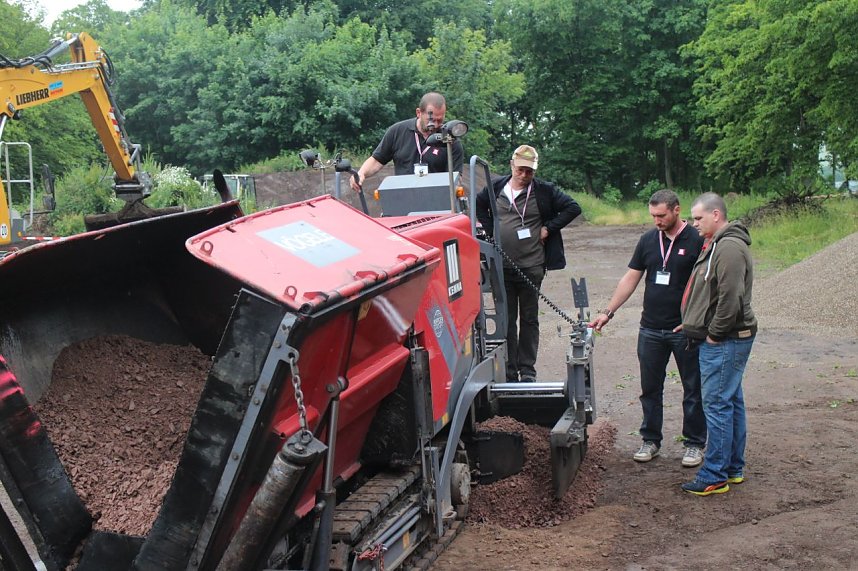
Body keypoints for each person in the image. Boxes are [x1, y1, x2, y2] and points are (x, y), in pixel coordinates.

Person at [590, 190, 706, 467]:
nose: (656, 221)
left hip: (684, 329)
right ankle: (650, 440)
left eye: (662, 215)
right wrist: (608, 312)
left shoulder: (698, 239)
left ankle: (694, 444)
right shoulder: (647, 241)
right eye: (653, 215)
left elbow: (708, 283)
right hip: (651, 329)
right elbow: (631, 277)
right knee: (650, 388)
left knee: (693, 388)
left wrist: (698, 320)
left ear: (677, 210)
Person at [475, 145, 581, 382]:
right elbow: (478, 205)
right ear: (512, 165)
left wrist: (548, 228)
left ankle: (528, 370)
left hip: (532, 265)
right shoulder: (495, 188)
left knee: (530, 318)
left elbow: (573, 207)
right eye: (521, 170)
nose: (524, 175)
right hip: (502, 266)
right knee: (507, 319)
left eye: (529, 171)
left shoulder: (544, 191)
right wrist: (490, 232)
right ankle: (510, 371)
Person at [679, 192, 757, 496]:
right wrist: (691, 322)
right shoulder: (716, 245)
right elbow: (709, 293)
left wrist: (713, 334)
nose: (694, 224)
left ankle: (714, 475)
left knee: (718, 405)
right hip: (723, 338)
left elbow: (731, 298)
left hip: (725, 340)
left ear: (715, 215)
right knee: (731, 402)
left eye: (698, 218)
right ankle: (732, 468)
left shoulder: (729, 248)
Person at [350, 92, 464, 191]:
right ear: (419, 113)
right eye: (432, 120)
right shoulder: (397, 131)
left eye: (440, 120)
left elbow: (456, 179)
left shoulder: (450, 140)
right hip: (403, 198)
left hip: (437, 202)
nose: (435, 125)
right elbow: (377, 160)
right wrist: (361, 173)